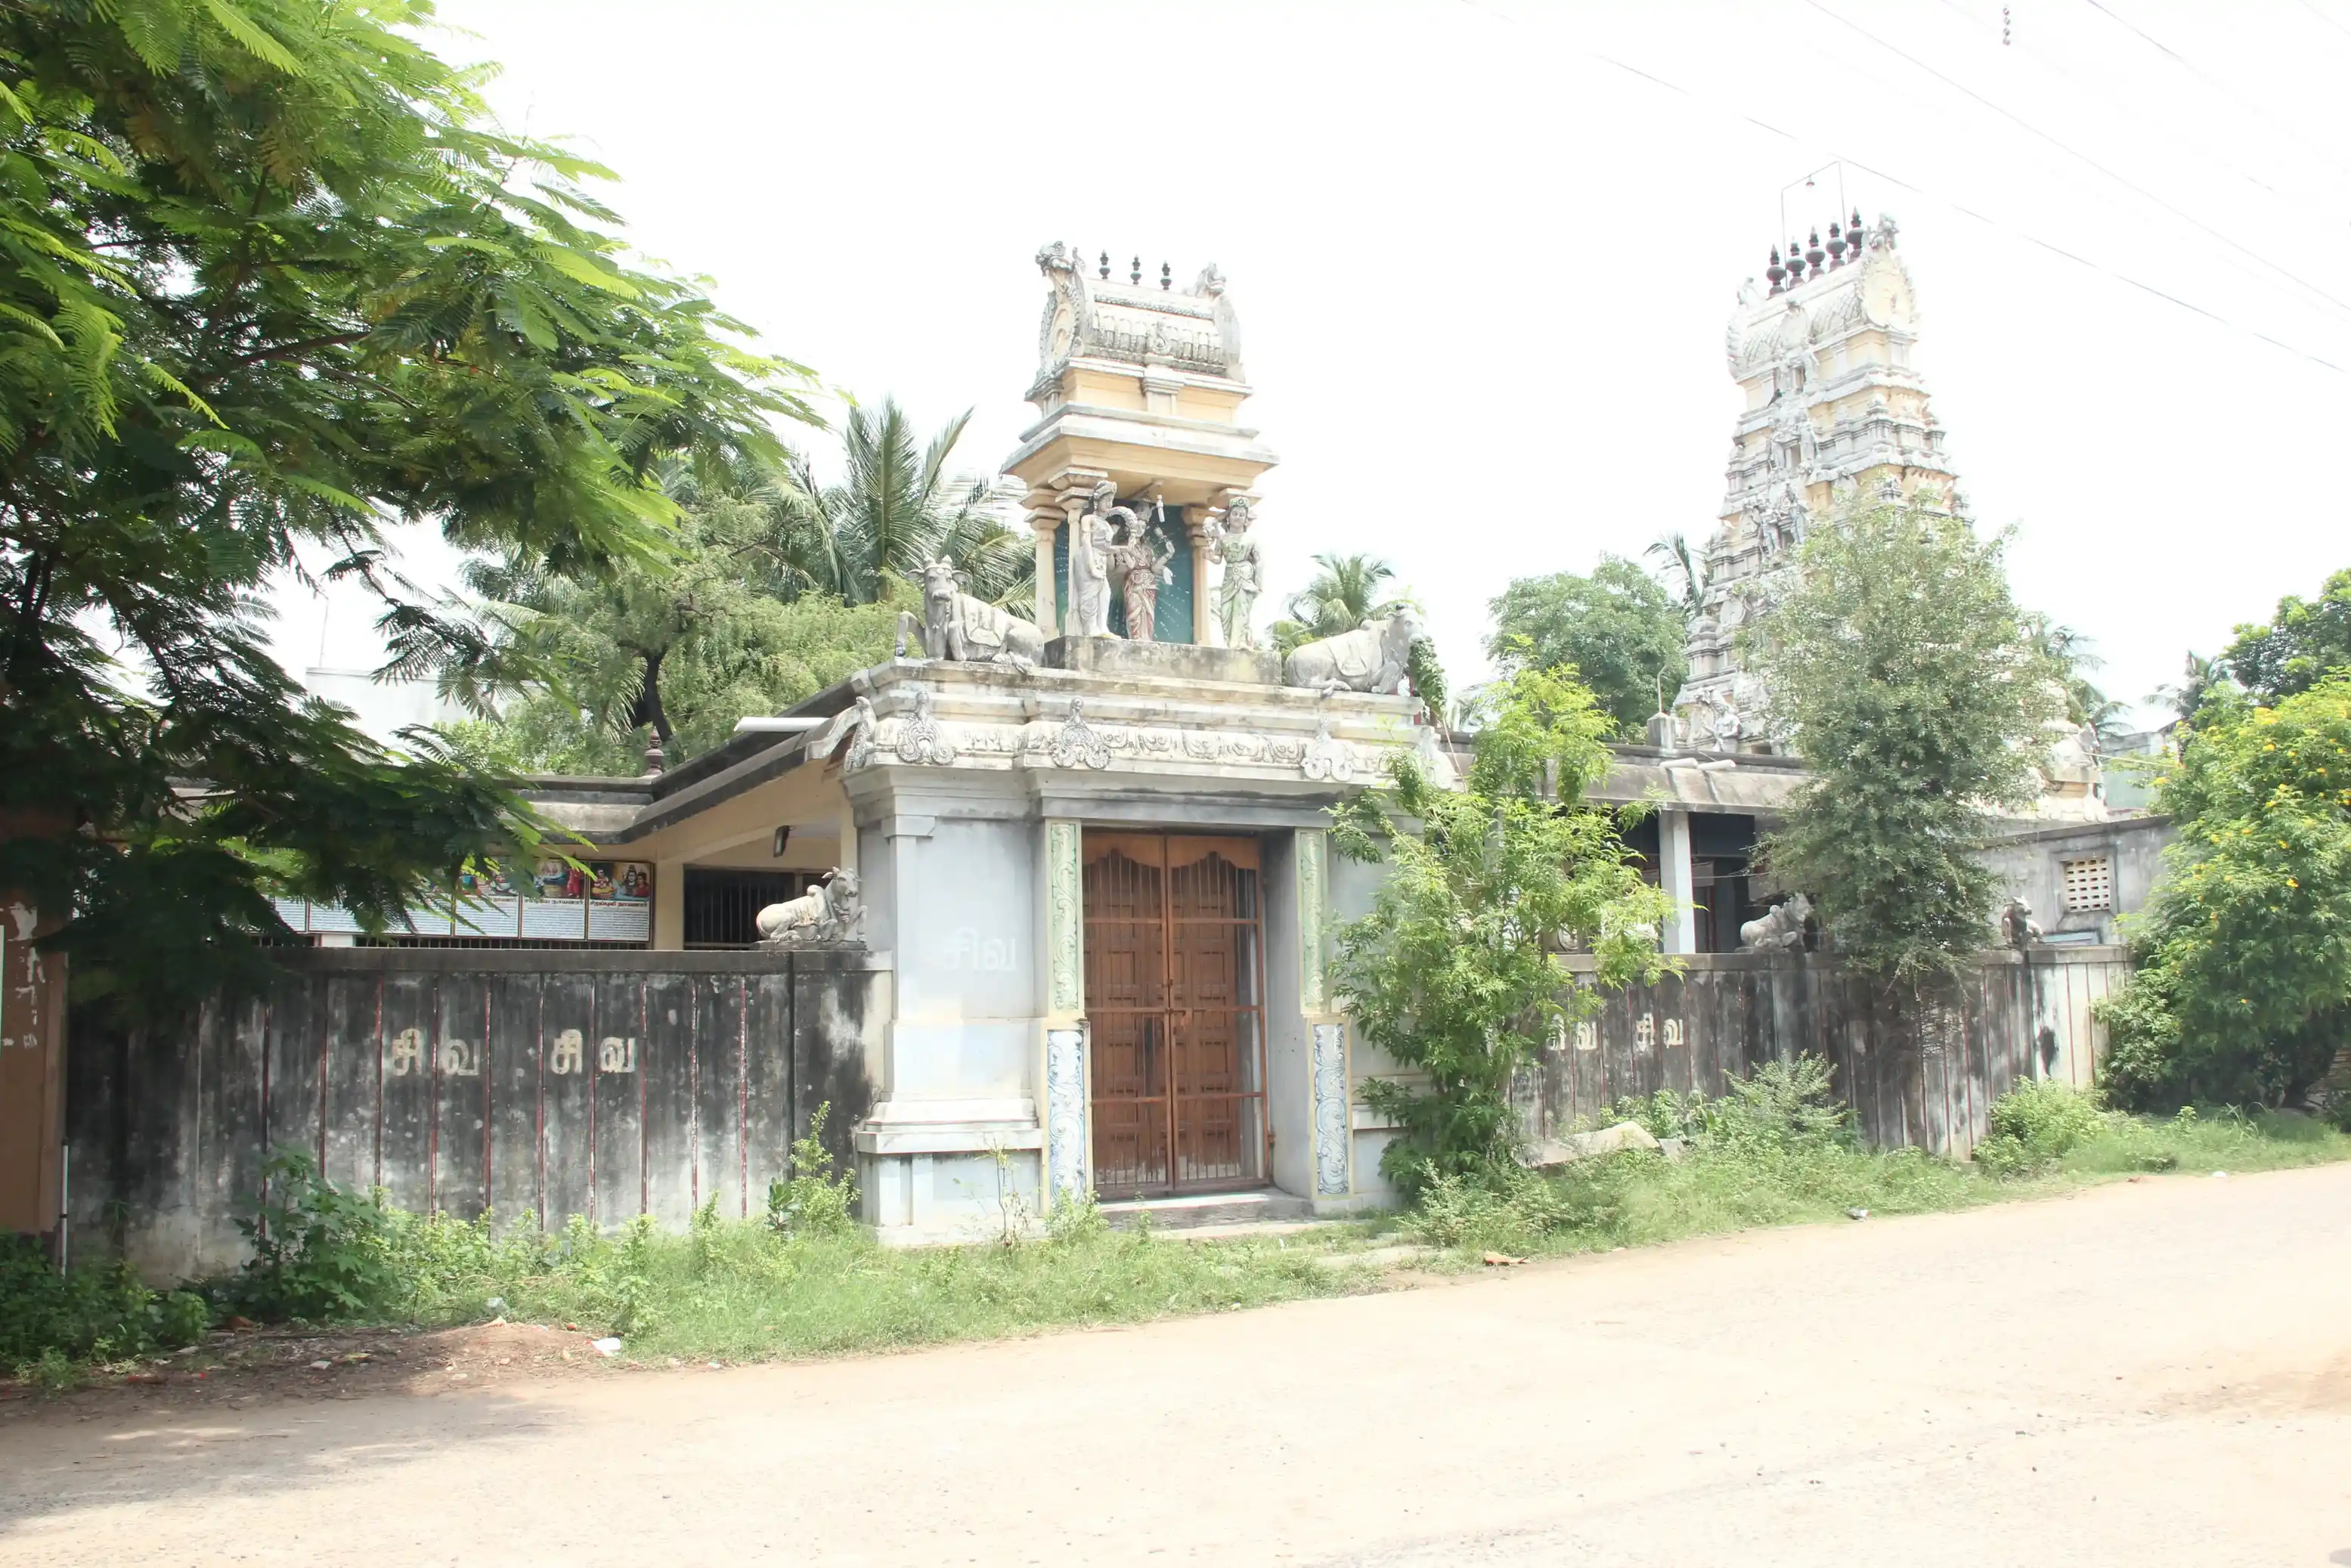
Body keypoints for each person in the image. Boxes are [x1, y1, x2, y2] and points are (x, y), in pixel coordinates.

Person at [1208, 495, 1262, 649]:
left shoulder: (1251, 540)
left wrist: (1256, 570)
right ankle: (1229, 642)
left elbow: (1258, 561)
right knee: (1225, 613)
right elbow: (1218, 559)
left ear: (1246, 519)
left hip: (1244, 577)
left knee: (1241, 609)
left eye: (1241, 514)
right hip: (1229, 576)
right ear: (1229, 517)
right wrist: (1209, 555)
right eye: (1235, 514)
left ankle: (1240, 642)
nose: (1238, 517)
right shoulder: (1222, 539)